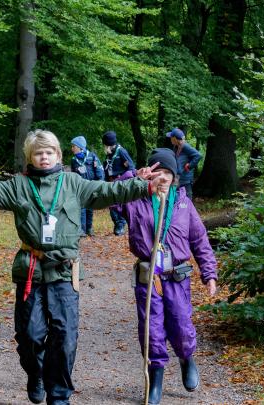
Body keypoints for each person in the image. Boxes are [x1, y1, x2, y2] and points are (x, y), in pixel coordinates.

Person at [0, 129, 166, 405]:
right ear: (30, 157)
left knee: (64, 336)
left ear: (58, 155)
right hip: (31, 269)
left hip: (64, 270)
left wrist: (144, 186)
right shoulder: (18, 186)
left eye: (49, 152)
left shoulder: (73, 183)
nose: (44, 157)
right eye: (38, 153)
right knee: (29, 335)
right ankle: (36, 374)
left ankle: (59, 396)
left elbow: (108, 191)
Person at [116, 148, 218, 404]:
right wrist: (134, 177)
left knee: (181, 326)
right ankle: (155, 379)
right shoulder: (135, 198)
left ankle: (186, 359)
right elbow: (109, 195)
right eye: (157, 172)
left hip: (177, 278)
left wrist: (209, 273)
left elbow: (199, 240)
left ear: (175, 177)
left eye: (167, 173)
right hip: (149, 279)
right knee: (152, 331)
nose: (162, 177)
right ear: (150, 174)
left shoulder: (183, 202)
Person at [69, 135, 104, 237]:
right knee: (81, 208)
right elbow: (73, 174)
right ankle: (82, 230)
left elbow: (99, 170)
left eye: (73, 146)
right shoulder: (73, 160)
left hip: (92, 185)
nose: (72, 149)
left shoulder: (92, 156)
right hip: (80, 187)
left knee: (90, 208)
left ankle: (89, 228)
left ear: (80, 147)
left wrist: (99, 183)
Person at [102, 130, 136, 235]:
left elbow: (131, 167)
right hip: (111, 182)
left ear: (108, 144)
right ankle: (117, 224)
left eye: (104, 144)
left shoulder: (121, 152)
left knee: (119, 204)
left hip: (120, 182)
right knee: (111, 205)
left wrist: (124, 178)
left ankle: (121, 225)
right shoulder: (109, 154)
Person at [166, 127, 202, 199]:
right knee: (174, 196)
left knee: (187, 198)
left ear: (175, 139)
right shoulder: (176, 147)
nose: (170, 139)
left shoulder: (185, 146)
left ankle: (189, 210)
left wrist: (189, 165)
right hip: (178, 177)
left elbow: (198, 155)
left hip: (185, 178)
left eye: (171, 137)